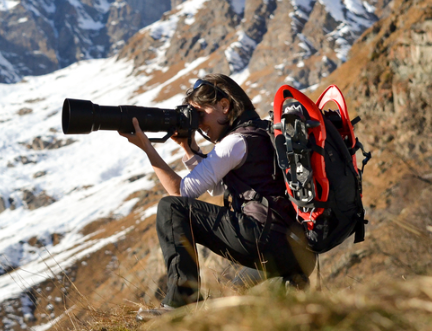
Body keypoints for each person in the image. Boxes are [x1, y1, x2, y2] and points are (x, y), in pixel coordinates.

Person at [119, 73, 315, 307]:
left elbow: (181, 194)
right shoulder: (259, 132)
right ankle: (289, 284)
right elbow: (218, 189)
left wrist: (147, 148)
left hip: (265, 238)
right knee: (237, 291)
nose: (199, 123)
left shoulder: (235, 142)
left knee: (171, 208)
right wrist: (188, 147)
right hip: (295, 250)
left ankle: (181, 301)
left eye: (200, 114)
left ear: (224, 105)